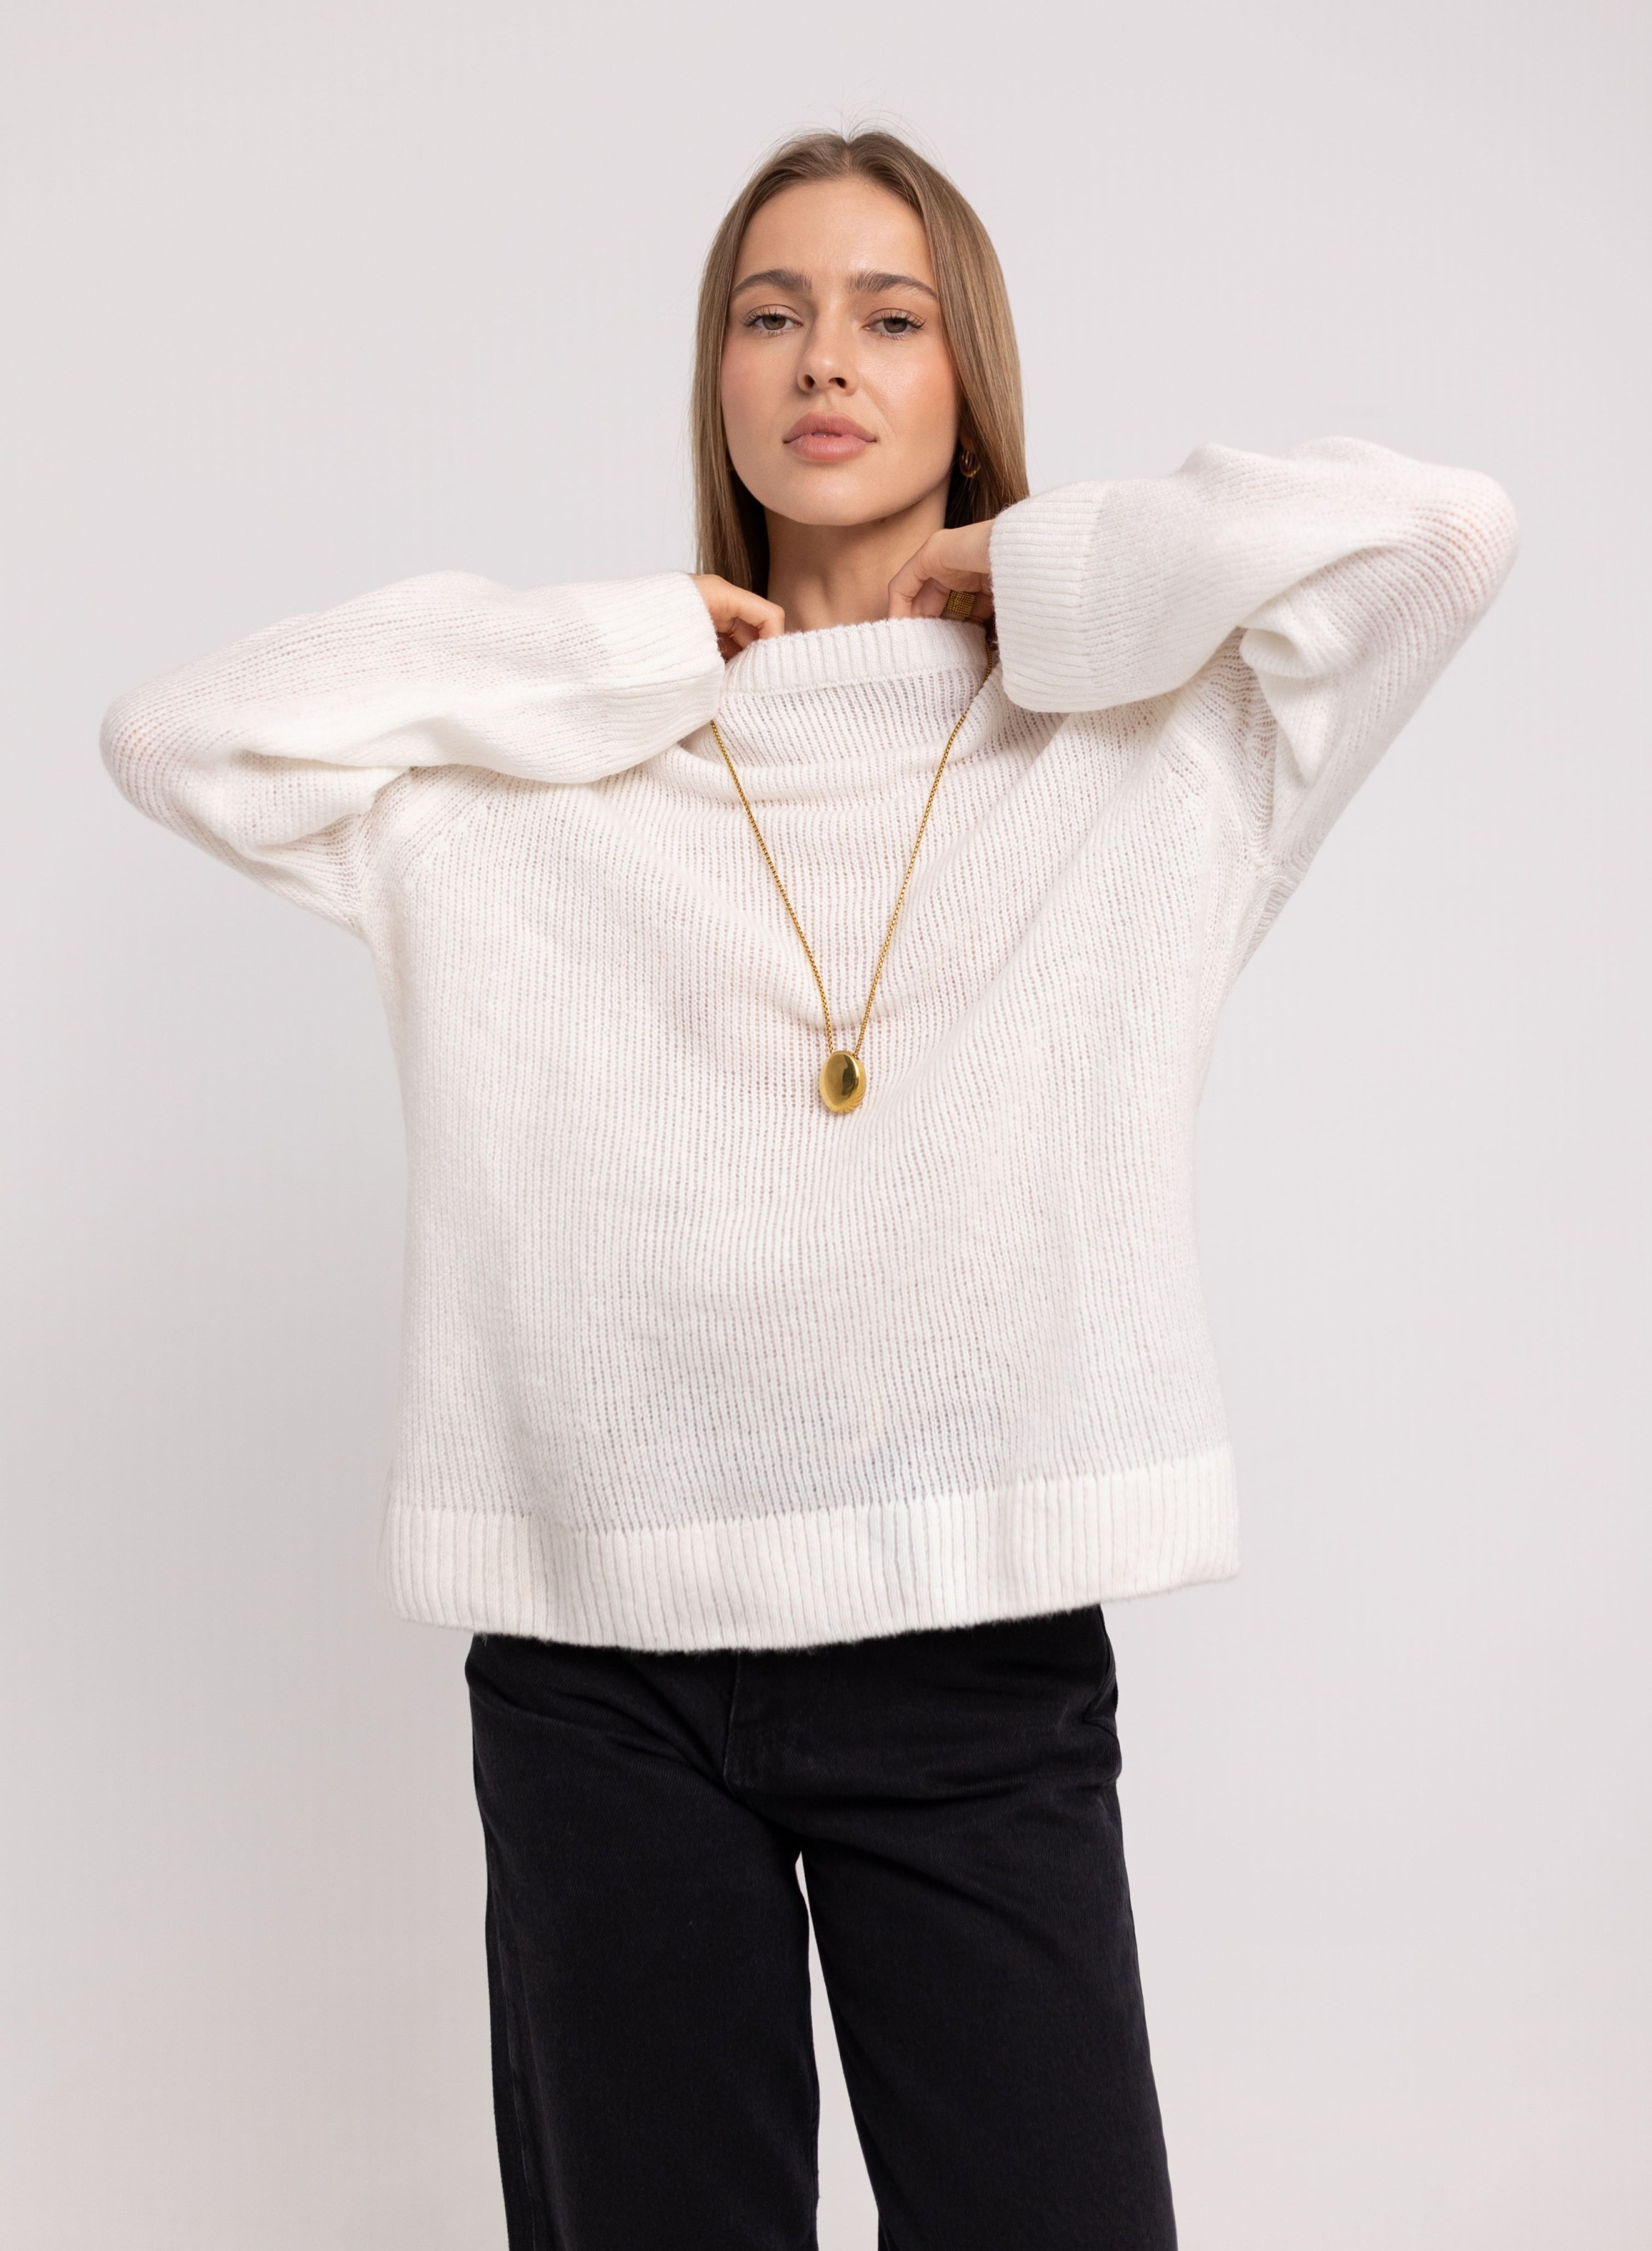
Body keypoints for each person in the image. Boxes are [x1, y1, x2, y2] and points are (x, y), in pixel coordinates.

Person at [103, 128, 1518, 2251]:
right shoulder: (541, 770)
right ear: (716, 377)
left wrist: (1049, 577)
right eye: (767, 314)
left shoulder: (1154, 752)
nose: (821, 358)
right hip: (601, 1669)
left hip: (972, 1666)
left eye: (888, 315)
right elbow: (178, 738)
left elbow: (1438, 536)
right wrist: (617, 650)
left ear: (969, 380)